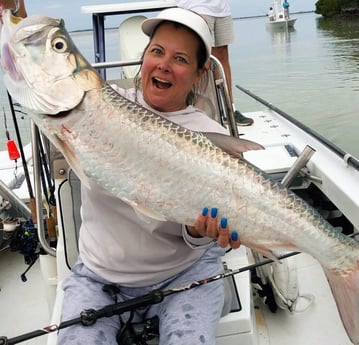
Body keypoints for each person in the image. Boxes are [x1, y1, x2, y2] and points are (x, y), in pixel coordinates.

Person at [56, 8, 262, 345]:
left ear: (200, 73)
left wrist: (201, 232)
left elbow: (199, 233)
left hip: (185, 275)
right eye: (157, 51)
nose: (164, 64)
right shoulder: (99, 105)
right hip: (98, 277)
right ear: (144, 56)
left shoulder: (209, 135)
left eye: (180, 58)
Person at [176, 0, 254, 126]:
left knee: (223, 56)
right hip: (196, 8)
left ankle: (230, 109)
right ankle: (202, 111)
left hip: (221, 10)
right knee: (202, 58)